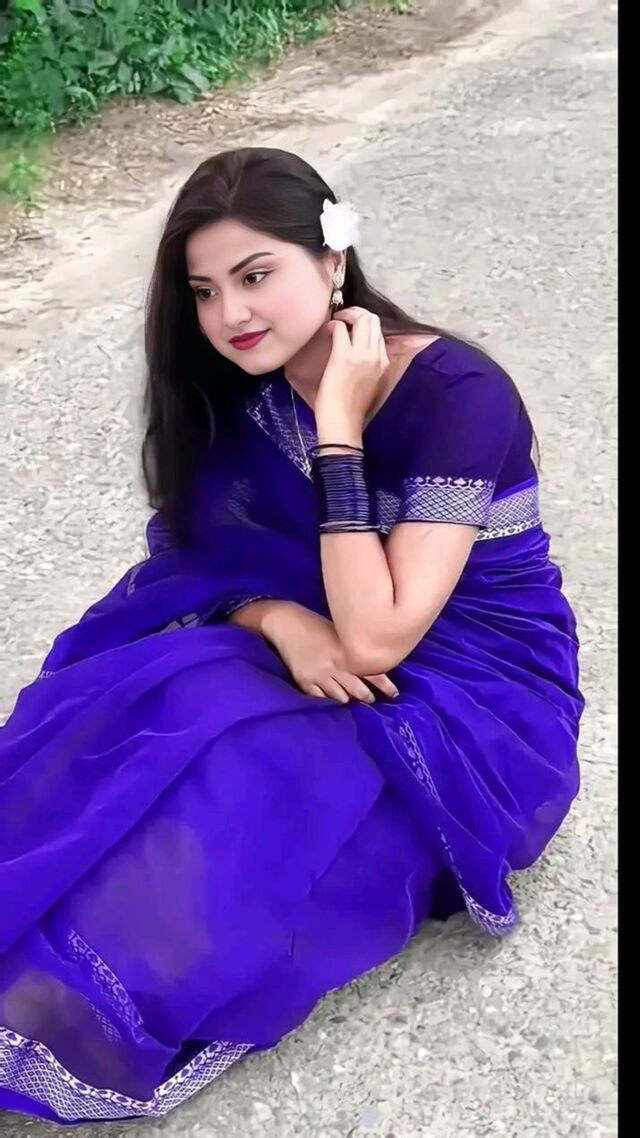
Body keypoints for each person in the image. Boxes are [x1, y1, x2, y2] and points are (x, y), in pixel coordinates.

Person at [0, 147, 583, 1124]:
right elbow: (201, 560)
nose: (230, 313)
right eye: (204, 290)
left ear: (332, 261)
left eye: (255, 274)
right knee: (163, 692)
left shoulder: (458, 393)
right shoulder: (244, 389)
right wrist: (276, 616)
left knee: (256, 775)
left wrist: (339, 432)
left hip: (472, 688)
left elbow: (379, 638)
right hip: (323, 626)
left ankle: (80, 1003)